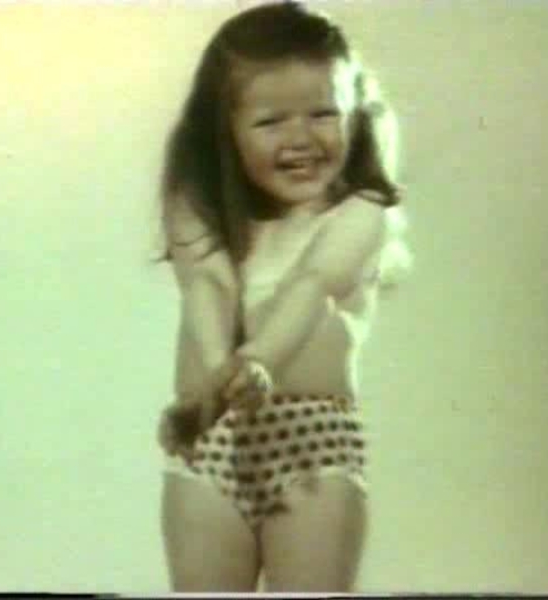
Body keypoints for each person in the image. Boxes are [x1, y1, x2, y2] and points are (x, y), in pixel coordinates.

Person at [155, 1, 411, 592]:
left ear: (355, 112)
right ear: (224, 130)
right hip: (211, 438)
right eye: (270, 122)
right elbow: (208, 284)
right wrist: (217, 382)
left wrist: (258, 360)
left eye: (324, 113)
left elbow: (313, 286)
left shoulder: (360, 212)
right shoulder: (197, 202)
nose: (301, 138)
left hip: (311, 442)